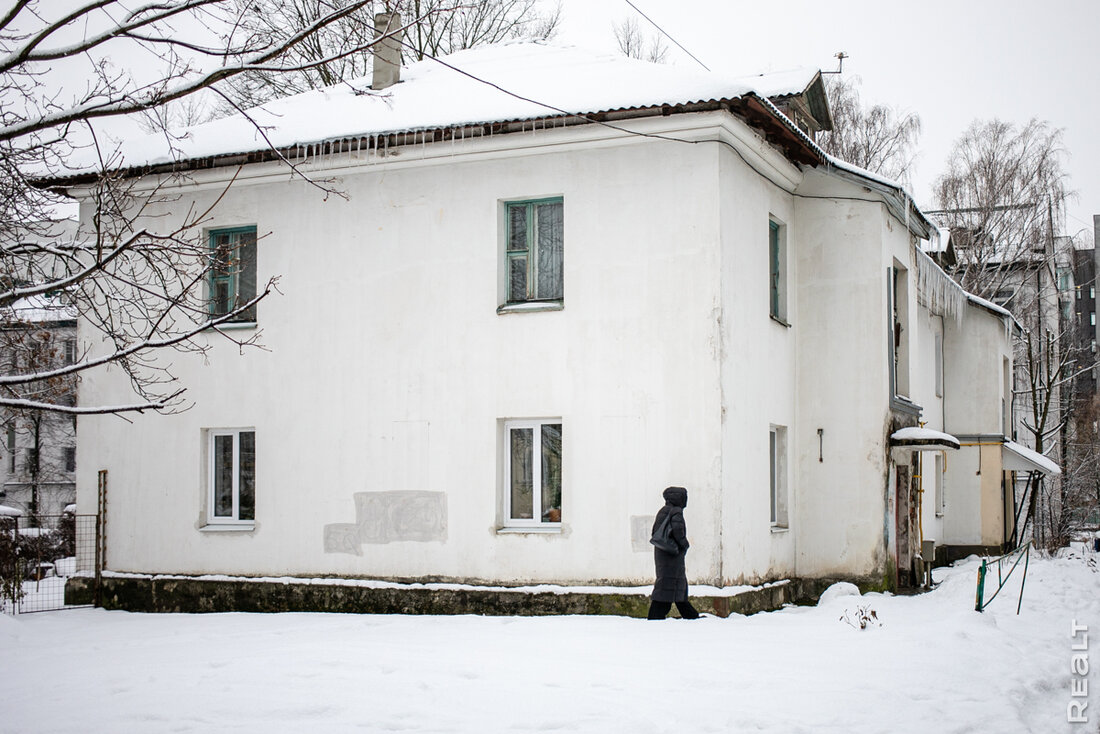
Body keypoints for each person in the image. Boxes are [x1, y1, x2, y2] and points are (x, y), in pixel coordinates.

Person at [648, 486, 700, 620]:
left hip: (662, 553)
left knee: (670, 583)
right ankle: (656, 615)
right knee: (671, 583)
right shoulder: (676, 512)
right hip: (672, 555)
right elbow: (678, 532)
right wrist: (684, 545)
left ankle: (689, 614)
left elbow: (655, 532)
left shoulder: (663, 511)